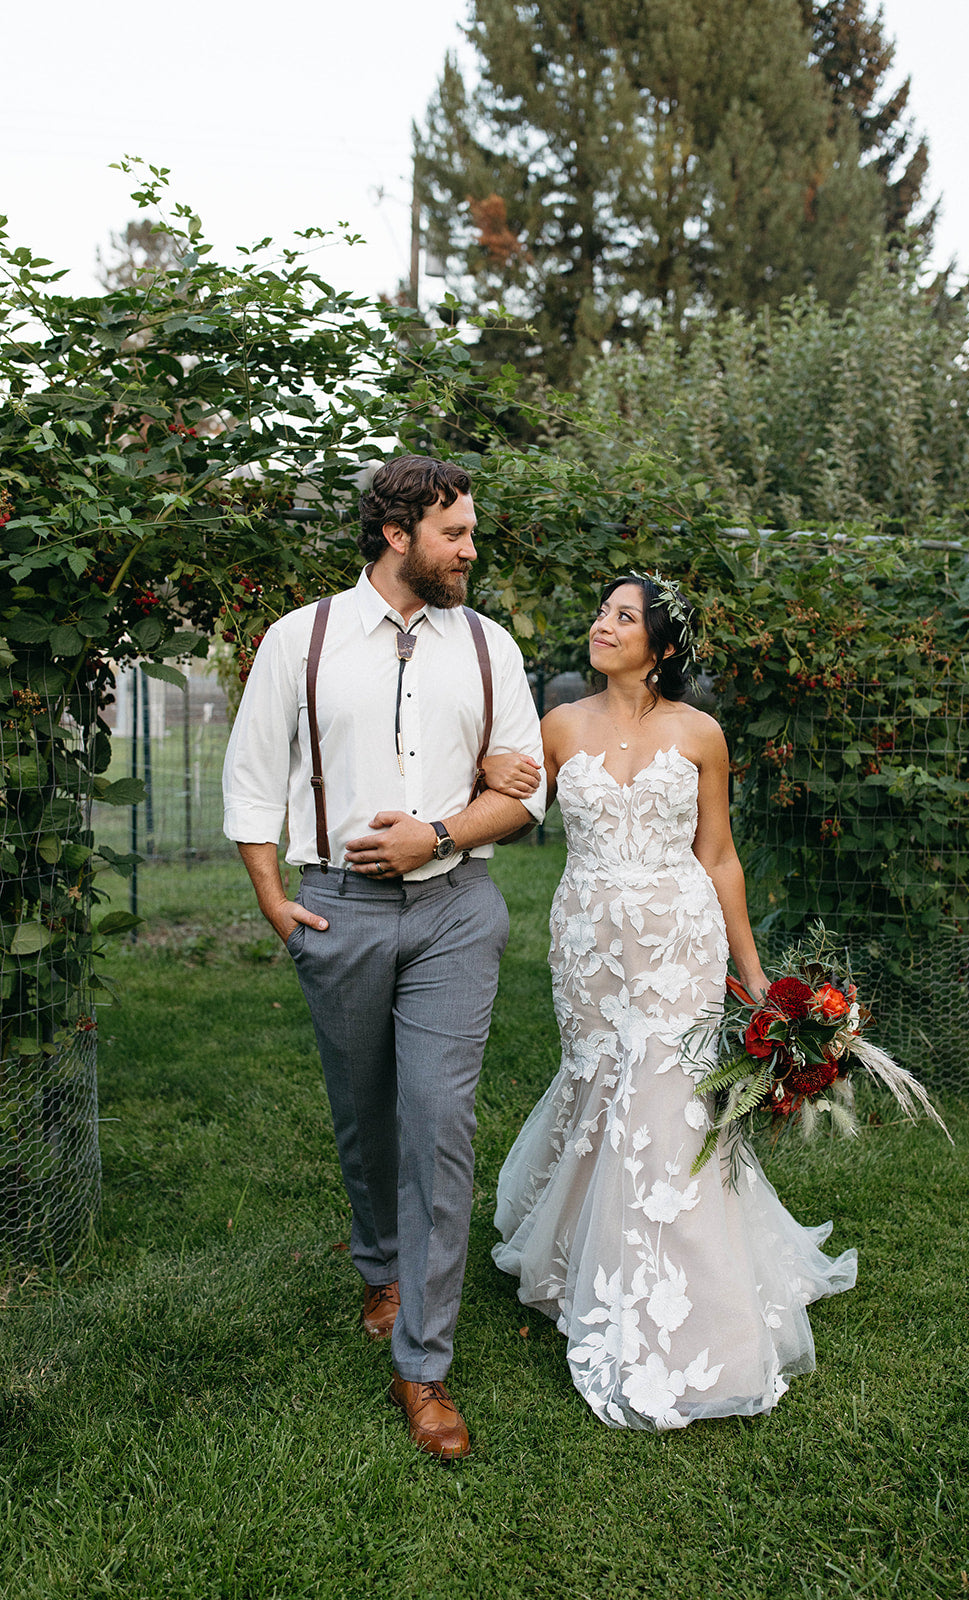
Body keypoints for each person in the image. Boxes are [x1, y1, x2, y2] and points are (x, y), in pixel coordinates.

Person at [222, 455, 546, 1460]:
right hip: (337, 911)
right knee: (364, 1111)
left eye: (472, 531)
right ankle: (379, 1262)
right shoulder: (302, 639)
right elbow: (250, 775)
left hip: (455, 910)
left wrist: (441, 834)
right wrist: (279, 901)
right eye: (456, 533)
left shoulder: (489, 647)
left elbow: (524, 796)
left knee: (439, 1123)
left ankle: (424, 1364)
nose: (470, 550)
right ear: (397, 534)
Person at [481, 573, 856, 1430]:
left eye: (622, 616)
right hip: (585, 944)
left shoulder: (701, 734)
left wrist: (754, 976)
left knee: (670, 1103)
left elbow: (717, 856)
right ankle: (576, 1247)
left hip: (678, 945)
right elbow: (508, 804)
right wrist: (478, 768)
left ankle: (691, 1310)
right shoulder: (557, 724)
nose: (600, 625)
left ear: (663, 645)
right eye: (600, 611)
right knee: (597, 1082)